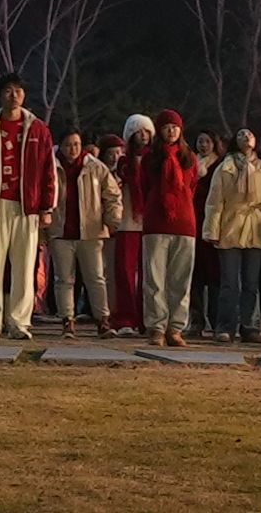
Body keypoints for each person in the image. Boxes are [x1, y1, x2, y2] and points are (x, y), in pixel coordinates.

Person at [0, 73, 57, 342]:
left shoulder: (38, 128)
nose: (14, 95)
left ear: (24, 95)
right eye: (8, 90)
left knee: (24, 266)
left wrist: (46, 207)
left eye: (18, 90)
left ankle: (19, 321)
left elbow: (48, 170)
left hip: (27, 207)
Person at [202, 127, 261, 342]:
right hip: (230, 225)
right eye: (241, 135)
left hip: (255, 226)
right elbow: (215, 201)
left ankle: (250, 325)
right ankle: (225, 326)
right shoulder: (225, 167)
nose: (246, 138)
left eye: (250, 135)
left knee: (251, 282)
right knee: (229, 282)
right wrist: (212, 229)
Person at [135, 109, 203, 346]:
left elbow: (192, 187)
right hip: (156, 221)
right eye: (166, 127)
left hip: (184, 222)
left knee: (180, 280)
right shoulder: (150, 159)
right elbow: (143, 187)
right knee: (154, 279)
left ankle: (175, 327)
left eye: (175, 127)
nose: (171, 131)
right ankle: (156, 326)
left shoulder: (189, 158)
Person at [48, 128, 123, 336]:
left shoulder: (95, 167)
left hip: (91, 230)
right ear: (60, 146)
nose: (72, 149)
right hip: (61, 230)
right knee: (63, 279)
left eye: (76, 145)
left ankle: (102, 319)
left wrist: (113, 219)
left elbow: (112, 195)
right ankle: (67, 319)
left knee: (96, 277)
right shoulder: (51, 166)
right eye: (68, 145)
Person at [109, 116, 152, 336]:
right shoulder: (124, 162)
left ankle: (147, 318)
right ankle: (126, 317)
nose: (143, 136)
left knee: (149, 274)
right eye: (138, 132)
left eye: (146, 131)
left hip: (150, 222)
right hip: (127, 221)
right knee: (125, 273)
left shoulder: (155, 159)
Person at [189, 128, 224, 337]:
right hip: (193, 222)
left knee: (214, 275)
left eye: (207, 141)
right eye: (200, 141)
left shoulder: (220, 165)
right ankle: (196, 320)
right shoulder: (190, 163)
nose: (203, 145)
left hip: (212, 223)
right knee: (195, 274)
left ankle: (216, 319)